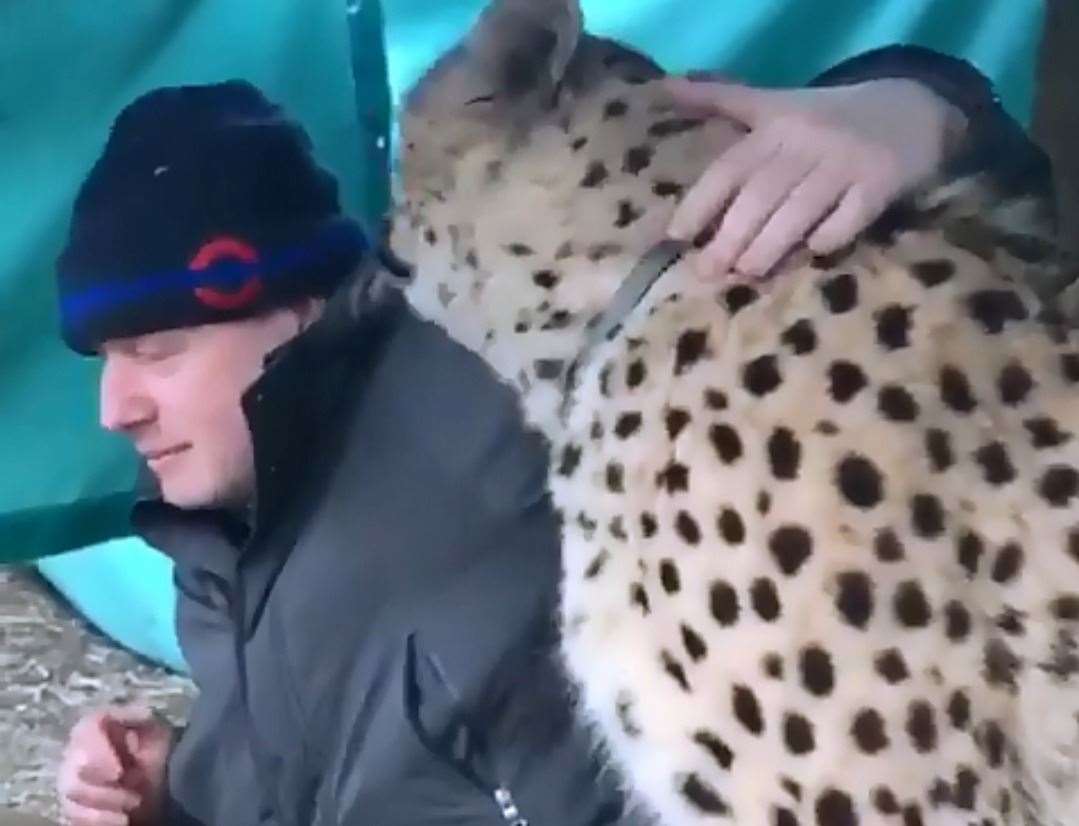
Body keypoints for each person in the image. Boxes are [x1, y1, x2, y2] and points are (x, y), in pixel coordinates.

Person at [48, 42, 1052, 826]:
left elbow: (733, 201)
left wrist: (922, 110)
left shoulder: (469, 374)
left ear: (295, 308)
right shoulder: (211, 558)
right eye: (102, 361)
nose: (114, 407)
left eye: (159, 349)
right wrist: (169, 797)